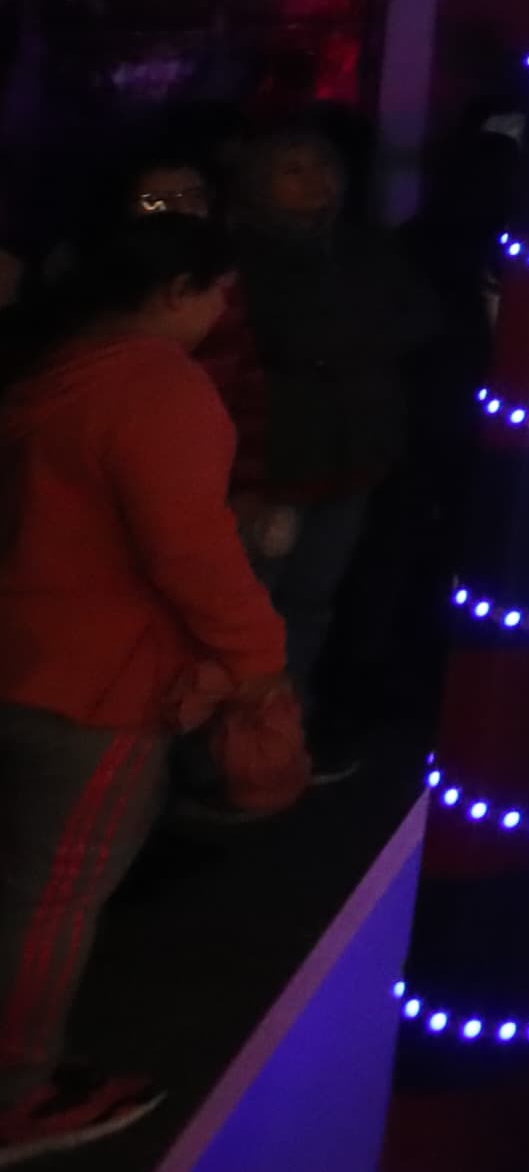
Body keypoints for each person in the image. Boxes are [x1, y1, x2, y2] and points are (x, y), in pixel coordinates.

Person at [0, 215, 293, 1155]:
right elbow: (191, 549)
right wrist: (258, 658)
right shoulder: (156, 383)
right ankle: (16, 1092)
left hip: (22, 649)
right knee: (51, 898)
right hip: (97, 682)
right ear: (177, 292)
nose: (222, 311)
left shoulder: (48, 360)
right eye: (217, 292)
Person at [194, 127, 424, 731]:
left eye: (323, 167)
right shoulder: (234, 254)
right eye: (292, 170)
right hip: (270, 464)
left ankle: (284, 727)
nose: (316, 183)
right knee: (250, 609)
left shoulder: (363, 246)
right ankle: (229, 745)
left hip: (352, 457)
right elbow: (287, 342)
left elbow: (416, 320)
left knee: (313, 600)